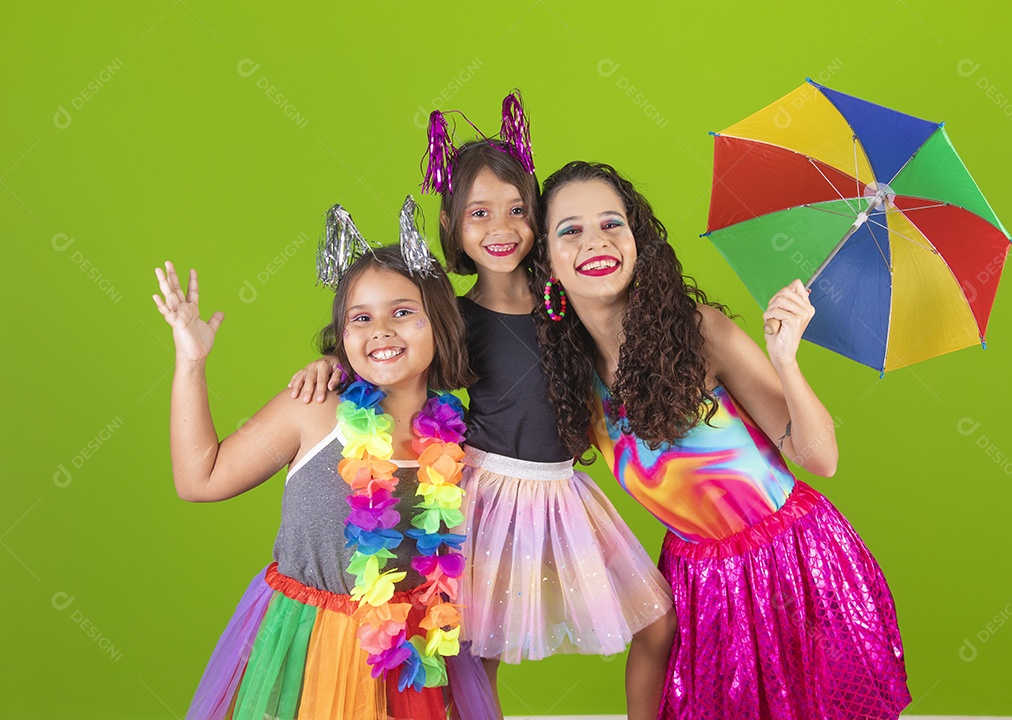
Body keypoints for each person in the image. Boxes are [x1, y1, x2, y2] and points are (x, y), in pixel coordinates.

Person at [290, 93, 676, 720]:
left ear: (540, 220)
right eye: (479, 214)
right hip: (489, 491)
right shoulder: (455, 317)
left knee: (655, 623)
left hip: (563, 490)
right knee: (476, 650)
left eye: (518, 211)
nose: (501, 229)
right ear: (453, 228)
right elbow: (390, 348)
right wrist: (332, 364)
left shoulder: (568, 297)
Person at [534, 160, 911, 719]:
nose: (596, 241)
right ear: (546, 260)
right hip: (699, 581)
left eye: (612, 223)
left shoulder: (700, 330)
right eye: (570, 230)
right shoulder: (566, 376)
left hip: (792, 563)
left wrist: (786, 361)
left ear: (637, 238)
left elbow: (820, 459)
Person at [155, 216, 496, 720]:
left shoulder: (459, 434)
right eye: (360, 318)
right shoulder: (316, 409)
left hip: (409, 662)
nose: (380, 330)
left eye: (402, 312)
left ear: (440, 324)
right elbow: (198, 479)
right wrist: (190, 361)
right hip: (305, 651)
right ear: (342, 334)